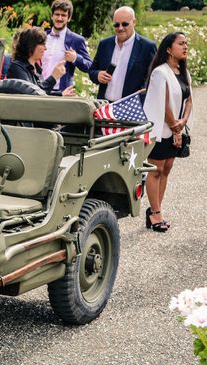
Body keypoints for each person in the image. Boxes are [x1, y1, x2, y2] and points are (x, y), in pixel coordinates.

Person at [142, 31, 192, 232]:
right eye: (181, 43)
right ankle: (155, 214)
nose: (186, 46)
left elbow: (189, 100)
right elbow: (162, 103)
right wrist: (175, 127)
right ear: (169, 49)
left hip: (176, 128)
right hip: (161, 130)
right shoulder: (160, 73)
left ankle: (156, 209)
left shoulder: (183, 72)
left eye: (186, 43)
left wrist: (183, 121)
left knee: (167, 168)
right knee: (156, 170)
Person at [89, 6, 157, 101]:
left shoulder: (147, 47)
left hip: (131, 108)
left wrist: (140, 97)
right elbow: (92, 70)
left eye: (125, 24)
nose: (120, 28)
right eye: (116, 25)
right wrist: (98, 75)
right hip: (105, 107)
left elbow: (153, 78)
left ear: (134, 22)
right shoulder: (104, 44)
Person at [6, 27, 74, 96]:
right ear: (31, 45)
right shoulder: (17, 68)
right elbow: (34, 94)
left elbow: (43, 90)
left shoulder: (36, 68)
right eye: (42, 44)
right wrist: (53, 77)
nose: (45, 48)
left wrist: (61, 94)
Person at [42, 0, 92, 92]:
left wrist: (76, 58)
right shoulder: (42, 36)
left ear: (69, 18)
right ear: (52, 16)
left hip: (62, 92)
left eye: (63, 15)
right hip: (40, 89)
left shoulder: (77, 40)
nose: (59, 18)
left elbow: (90, 67)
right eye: (57, 14)